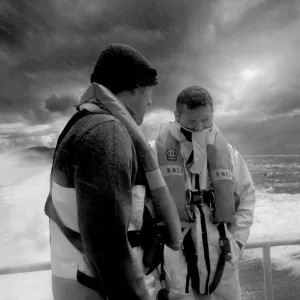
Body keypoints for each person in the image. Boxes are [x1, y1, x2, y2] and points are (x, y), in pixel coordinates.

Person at [44, 44, 182, 300]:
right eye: (148, 93)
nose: (150, 101)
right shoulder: (106, 134)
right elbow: (108, 247)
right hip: (99, 292)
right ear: (132, 88)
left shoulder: (85, 124)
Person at [150, 86, 256, 300]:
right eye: (191, 122)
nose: (199, 127)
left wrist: (237, 242)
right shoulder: (153, 153)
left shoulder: (230, 155)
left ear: (213, 115)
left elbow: (246, 198)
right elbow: (141, 206)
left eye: (206, 120)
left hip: (223, 254)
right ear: (176, 115)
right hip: (173, 254)